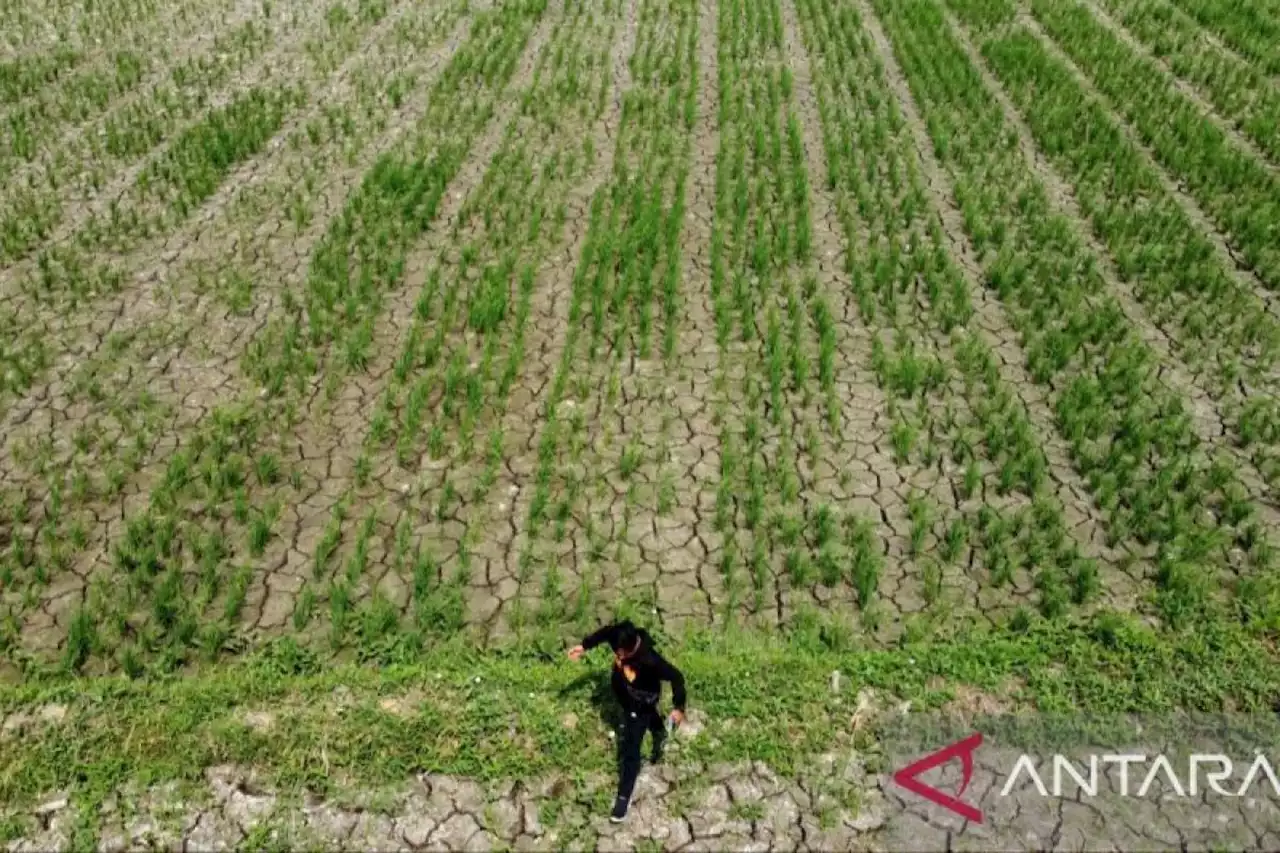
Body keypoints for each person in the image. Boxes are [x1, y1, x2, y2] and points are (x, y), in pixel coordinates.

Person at [568, 620, 687, 823]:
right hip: (624, 690)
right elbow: (606, 632)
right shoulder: (620, 635)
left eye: (621, 652)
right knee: (647, 716)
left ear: (632, 648)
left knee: (630, 749)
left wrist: (678, 707)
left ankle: (624, 796)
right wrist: (584, 646)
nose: (617, 655)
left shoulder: (651, 661)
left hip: (641, 701)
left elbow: (676, 677)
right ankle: (658, 727)